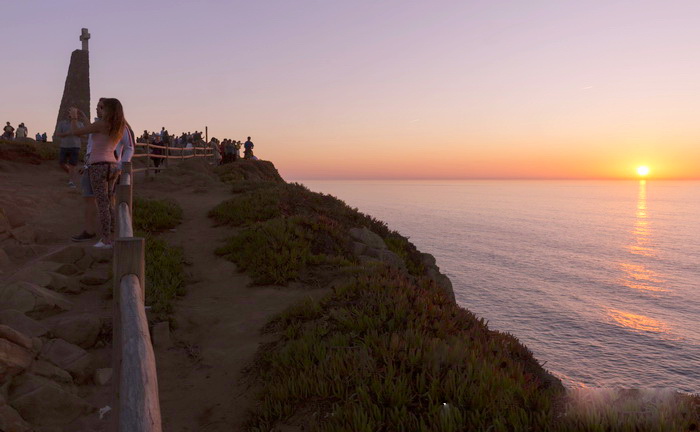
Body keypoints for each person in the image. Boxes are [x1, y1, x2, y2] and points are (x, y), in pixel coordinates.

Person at [58, 98, 125, 249]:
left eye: (100, 107)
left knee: (102, 204)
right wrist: (83, 118)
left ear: (108, 109)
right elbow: (93, 130)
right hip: (112, 165)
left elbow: (76, 131)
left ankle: (106, 240)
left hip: (98, 166)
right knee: (108, 202)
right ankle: (112, 235)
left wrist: (74, 118)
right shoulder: (116, 126)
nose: (97, 109)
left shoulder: (101, 124)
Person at [55, 110, 84, 188]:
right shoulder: (62, 123)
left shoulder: (80, 124)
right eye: (69, 113)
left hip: (75, 146)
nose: (70, 115)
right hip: (64, 146)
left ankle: (71, 181)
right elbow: (58, 134)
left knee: (72, 165)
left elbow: (83, 135)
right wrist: (67, 133)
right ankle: (72, 174)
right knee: (61, 163)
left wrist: (76, 133)